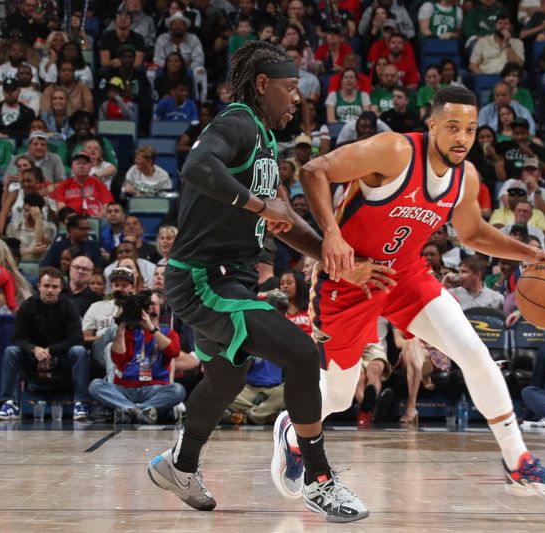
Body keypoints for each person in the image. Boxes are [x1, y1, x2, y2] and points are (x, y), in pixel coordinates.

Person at [286, 85, 545, 500]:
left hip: (406, 274)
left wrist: (533, 255)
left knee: (476, 354)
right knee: (335, 396)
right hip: (350, 279)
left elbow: (474, 232)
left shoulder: (466, 177)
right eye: (453, 127)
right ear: (433, 125)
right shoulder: (394, 151)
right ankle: (292, 429)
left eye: (471, 130)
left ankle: (518, 462)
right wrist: (332, 237)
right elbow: (314, 170)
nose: (462, 138)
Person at [146, 42, 381, 521]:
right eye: (289, 88)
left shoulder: (266, 142)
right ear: (261, 85)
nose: (297, 99)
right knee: (298, 352)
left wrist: (338, 260)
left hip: (226, 282)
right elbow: (196, 166)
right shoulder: (236, 122)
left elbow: (285, 220)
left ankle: (180, 465)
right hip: (203, 281)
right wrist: (258, 205)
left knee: (227, 377)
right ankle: (318, 480)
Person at [0, 267, 90, 421]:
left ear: (61, 288)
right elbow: (17, 338)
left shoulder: (68, 306)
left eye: (54, 287)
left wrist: (50, 351)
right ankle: (9, 403)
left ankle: (81, 402)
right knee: (11, 351)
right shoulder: (28, 305)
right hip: (32, 356)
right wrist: (34, 349)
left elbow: (76, 338)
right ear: (39, 286)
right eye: (46, 286)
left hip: (61, 356)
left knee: (79, 351)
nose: (50, 290)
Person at [89, 290, 185, 424]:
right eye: (146, 305)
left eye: (153, 304)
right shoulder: (128, 332)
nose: (149, 307)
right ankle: (139, 410)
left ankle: (132, 410)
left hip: (155, 389)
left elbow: (174, 352)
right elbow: (118, 359)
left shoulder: (168, 332)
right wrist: (121, 324)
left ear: (160, 307)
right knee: (95, 385)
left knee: (178, 390)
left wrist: (151, 328)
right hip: (125, 389)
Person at [52, 151, 114, 219]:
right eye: (78, 163)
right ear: (72, 167)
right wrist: (71, 219)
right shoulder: (64, 185)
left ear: (90, 167)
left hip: (95, 219)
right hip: (71, 220)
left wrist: (98, 218)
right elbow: (61, 206)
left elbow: (108, 204)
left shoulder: (98, 184)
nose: (81, 166)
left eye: (85, 163)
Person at [39, 215, 103, 269]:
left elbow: (98, 268)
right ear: (71, 229)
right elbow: (45, 266)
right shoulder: (58, 246)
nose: (86, 232)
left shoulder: (93, 246)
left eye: (87, 229)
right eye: (82, 229)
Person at [0, 78, 35, 145]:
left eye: (12, 90)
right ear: (3, 92)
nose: (10, 94)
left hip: (19, 147)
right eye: (7, 91)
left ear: (18, 91)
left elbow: (29, 133)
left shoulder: (28, 112)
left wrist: (7, 136)